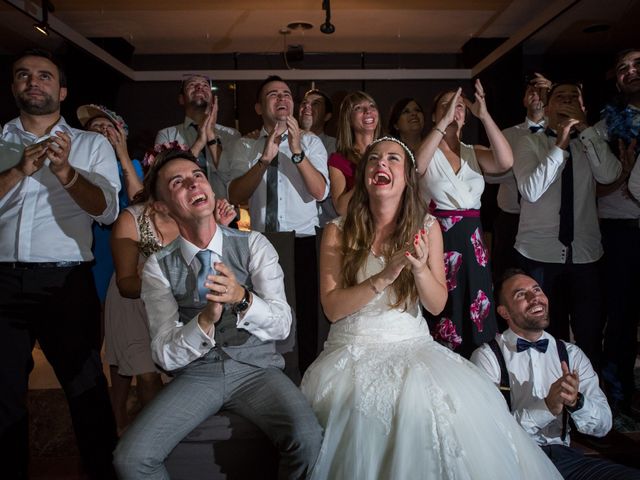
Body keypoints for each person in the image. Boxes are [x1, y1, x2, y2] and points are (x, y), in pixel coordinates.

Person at [301, 136, 562, 480]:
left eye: (393, 159)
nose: (382, 164)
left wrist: (421, 269)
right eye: (375, 159)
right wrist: (385, 275)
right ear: (364, 175)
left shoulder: (426, 227)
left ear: (408, 176)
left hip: (412, 345)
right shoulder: (338, 231)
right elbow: (333, 309)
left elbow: (437, 304)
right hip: (350, 350)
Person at [113, 148, 323, 479]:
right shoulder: (157, 267)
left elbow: (283, 325)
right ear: (162, 207)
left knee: (308, 439)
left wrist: (242, 298)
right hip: (199, 374)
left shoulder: (254, 245)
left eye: (198, 176)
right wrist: (205, 320)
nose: (194, 184)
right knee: (131, 459)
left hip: (256, 369)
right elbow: (164, 355)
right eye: (178, 182)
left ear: (210, 189)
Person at [0, 48, 119, 479]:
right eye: (23, 75)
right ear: (14, 86)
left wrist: (66, 172)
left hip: (65, 281)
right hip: (2, 281)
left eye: (44, 76)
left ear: (62, 90)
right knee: (3, 396)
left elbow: (106, 210)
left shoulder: (91, 145)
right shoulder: (0, 141)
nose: (34, 82)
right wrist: (18, 170)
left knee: (86, 388)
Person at [471, 269, 640, 480]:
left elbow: (603, 426)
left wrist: (577, 402)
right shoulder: (487, 358)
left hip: (564, 459)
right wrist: (547, 407)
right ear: (504, 312)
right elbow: (490, 433)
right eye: (521, 294)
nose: (535, 298)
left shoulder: (571, 355)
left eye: (537, 290)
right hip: (513, 462)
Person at [513, 82, 621, 369]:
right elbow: (531, 190)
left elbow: (610, 175)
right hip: (539, 254)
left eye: (575, 98)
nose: (568, 101)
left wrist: (584, 131)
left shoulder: (592, 140)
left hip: (585, 253)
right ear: (547, 108)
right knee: (546, 333)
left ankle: (590, 400)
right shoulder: (528, 141)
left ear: (584, 108)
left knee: (589, 332)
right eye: (561, 97)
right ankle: (551, 399)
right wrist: (559, 144)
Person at [227, 75, 329, 373]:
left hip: (304, 242)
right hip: (261, 243)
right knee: (265, 318)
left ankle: (307, 384)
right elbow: (235, 195)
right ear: (259, 107)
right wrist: (264, 159)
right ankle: (270, 380)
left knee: (307, 320)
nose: (282, 97)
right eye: (273, 94)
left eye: (286, 93)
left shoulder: (311, 142)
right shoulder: (244, 146)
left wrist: (297, 152)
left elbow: (320, 192)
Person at [415, 80, 513, 357]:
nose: (453, 111)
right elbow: (416, 167)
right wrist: (441, 124)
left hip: (473, 241)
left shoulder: (474, 151)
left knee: (476, 309)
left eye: (459, 106)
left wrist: (485, 116)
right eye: (445, 106)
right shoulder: (425, 151)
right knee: (444, 310)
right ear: (434, 115)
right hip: (439, 239)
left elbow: (505, 162)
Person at [595, 48, 640, 429]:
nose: (630, 72)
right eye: (623, 67)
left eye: (637, 65)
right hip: (620, 229)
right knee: (621, 316)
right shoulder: (605, 126)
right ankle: (618, 397)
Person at [77, 104, 144, 307]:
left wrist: (122, 154)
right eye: (96, 127)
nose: (102, 131)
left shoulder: (131, 165)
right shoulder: (76, 164)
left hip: (118, 240)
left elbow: (139, 202)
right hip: (86, 239)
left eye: (108, 127)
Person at [487, 73, 550, 283]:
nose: (536, 95)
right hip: (511, 219)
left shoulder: (562, 134)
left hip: (549, 219)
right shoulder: (507, 135)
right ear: (523, 100)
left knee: (542, 278)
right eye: (531, 91)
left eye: (541, 91)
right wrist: (521, 170)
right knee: (505, 276)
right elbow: (489, 175)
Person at [155, 74, 240, 200]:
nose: (200, 87)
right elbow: (165, 179)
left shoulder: (232, 135)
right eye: (192, 85)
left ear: (212, 98)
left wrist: (211, 138)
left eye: (206, 86)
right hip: (182, 215)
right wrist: (200, 142)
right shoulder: (166, 135)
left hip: (224, 212)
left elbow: (232, 179)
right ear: (181, 99)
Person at [328, 90, 381, 216]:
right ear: (349, 119)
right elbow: (341, 209)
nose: (368, 111)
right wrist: (365, 177)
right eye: (358, 108)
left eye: (371, 106)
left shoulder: (390, 151)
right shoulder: (338, 160)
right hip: (358, 228)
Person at [299, 88, 338, 226]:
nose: (307, 107)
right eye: (304, 103)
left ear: (327, 116)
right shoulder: (285, 143)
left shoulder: (336, 147)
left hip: (328, 224)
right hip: (298, 228)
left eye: (315, 104)